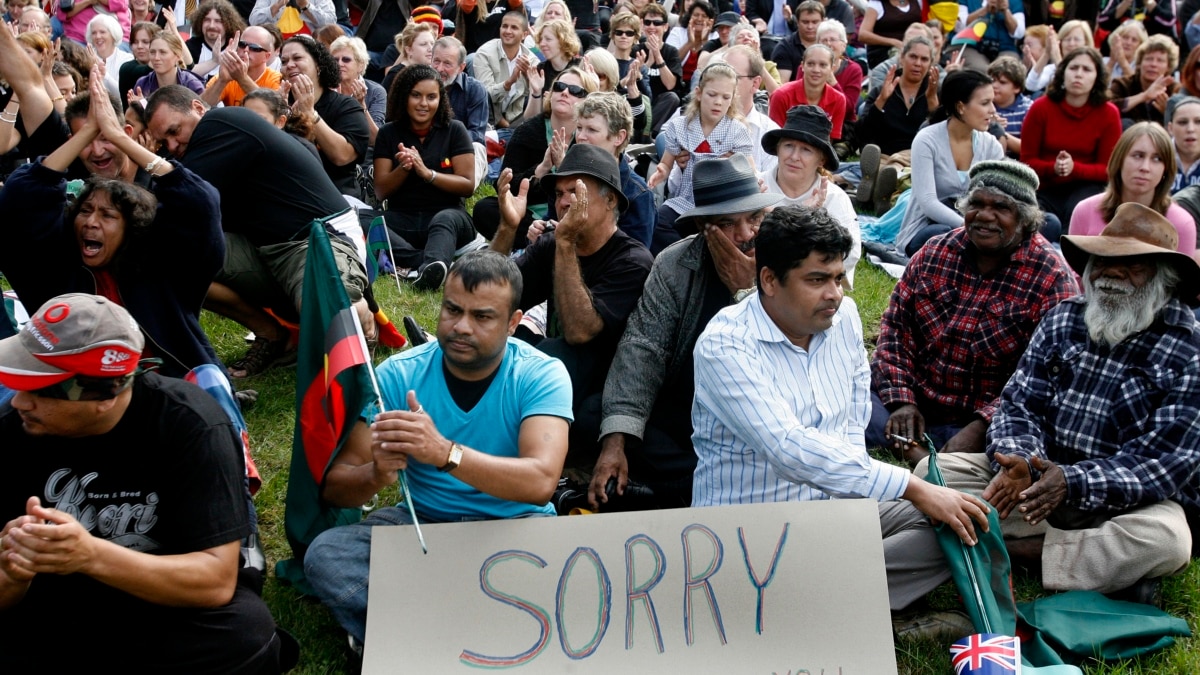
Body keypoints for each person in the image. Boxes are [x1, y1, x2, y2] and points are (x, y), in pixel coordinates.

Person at [690, 205, 993, 615]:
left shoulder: (843, 318)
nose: (834, 293)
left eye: (837, 277)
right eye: (816, 279)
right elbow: (787, 447)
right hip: (750, 533)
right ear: (769, 280)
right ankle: (821, 600)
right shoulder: (725, 345)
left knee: (960, 519)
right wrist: (913, 486)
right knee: (929, 504)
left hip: (832, 511)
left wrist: (852, 508)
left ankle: (822, 595)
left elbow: (852, 418)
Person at [923, 202, 1200, 601]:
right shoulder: (1064, 318)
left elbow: (1160, 466)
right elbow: (1018, 405)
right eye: (1102, 261)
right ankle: (1099, 570)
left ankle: (1014, 553)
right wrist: (1018, 459)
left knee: (1168, 541)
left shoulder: (1189, 349)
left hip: (1123, 502)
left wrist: (1072, 482)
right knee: (935, 472)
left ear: (1164, 279)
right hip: (1037, 483)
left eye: (1133, 265)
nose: (1111, 274)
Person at [0, 294, 284, 673]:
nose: (19, 401)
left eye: (37, 388)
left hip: (161, 599)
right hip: (58, 600)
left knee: (246, 634)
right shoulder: (11, 429)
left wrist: (90, 555)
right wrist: (12, 571)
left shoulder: (191, 424)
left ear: (100, 394)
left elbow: (213, 582)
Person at [303, 251, 573, 644]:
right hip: (426, 528)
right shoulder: (399, 375)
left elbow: (540, 482)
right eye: (452, 309)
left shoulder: (540, 375)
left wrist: (445, 453)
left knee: (570, 568)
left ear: (514, 323)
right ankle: (484, 625)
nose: (461, 327)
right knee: (327, 556)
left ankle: (411, 633)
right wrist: (376, 473)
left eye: (482, 317)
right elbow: (335, 487)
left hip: (519, 530)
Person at [587, 155, 782, 510]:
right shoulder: (674, 265)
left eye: (754, 218)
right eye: (727, 223)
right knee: (596, 420)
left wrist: (744, 292)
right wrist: (616, 440)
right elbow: (643, 349)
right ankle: (699, 484)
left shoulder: (785, 260)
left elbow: (782, 360)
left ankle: (685, 489)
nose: (745, 235)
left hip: (757, 420)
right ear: (705, 228)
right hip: (686, 415)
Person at [0, 76, 225, 378]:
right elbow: (19, 196)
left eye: (107, 216)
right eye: (87, 211)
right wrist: (91, 131)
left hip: (166, 385)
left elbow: (201, 201)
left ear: (131, 228)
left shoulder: (159, 266)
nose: (92, 222)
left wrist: (119, 138)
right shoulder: (55, 268)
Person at [144, 85, 372, 378]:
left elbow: (175, 196)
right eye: (164, 141)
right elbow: (171, 215)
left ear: (199, 109)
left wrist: (123, 144)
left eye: (175, 131)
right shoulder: (203, 145)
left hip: (317, 239)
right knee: (171, 257)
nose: (173, 145)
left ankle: (360, 315)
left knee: (330, 317)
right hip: (267, 250)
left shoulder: (221, 123)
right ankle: (272, 335)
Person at [871, 161, 1079, 464]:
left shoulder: (1052, 279)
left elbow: (1044, 377)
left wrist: (981, 426)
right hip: (915, 401)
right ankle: (923, 457)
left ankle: (927, 454)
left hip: (985, 418)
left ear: (1025, 220)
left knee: (1022, 443)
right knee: (846, 396)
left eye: (1001, 208)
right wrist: (901, 400)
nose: (984, 216)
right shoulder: (935, 252)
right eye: (976, 204)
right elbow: (894, 332)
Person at [492, 143, 654, 407]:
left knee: (554, 352)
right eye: (558, 194)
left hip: (604, 390)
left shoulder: (633, 261)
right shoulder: (551, 245)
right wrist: (508, 228)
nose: (563, 202)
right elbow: (489, 296)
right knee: (503, 331)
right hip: (552, 370)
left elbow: (579, 333)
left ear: (610, 200)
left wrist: (566, 243)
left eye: (575, 192)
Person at [374, 64, 478, 290]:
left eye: (431, 97)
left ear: (441, 99)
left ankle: (433, 263)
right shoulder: (388, 133)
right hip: (403, 219)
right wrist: (404, 167)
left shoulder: (455, 130)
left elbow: (467, 185)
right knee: (367, 221)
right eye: (416, 96)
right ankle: (427, 263)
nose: (424, 103)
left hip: (448, 217)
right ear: (404, 97)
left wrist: (427, 173)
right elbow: (380, 190)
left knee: (445, 219)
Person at [473, 67, 598, 249]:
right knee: (484, 209)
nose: (564, 92)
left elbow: (590, 192)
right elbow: (505, 186)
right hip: (527, 212)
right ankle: (540, 243)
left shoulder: (588, 137)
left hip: (571, 213)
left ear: (587, 101)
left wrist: (563, 165)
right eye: (560, 86)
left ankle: (543, 242)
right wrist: (542, 168)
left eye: (575, 91)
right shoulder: (528, 131)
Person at [895, 70, 1007, 256]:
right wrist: (968, 228)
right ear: (961, 107)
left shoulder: (991, 146)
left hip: (980, 225)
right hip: (928, 227)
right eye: (985, 103)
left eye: (992, 102)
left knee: (1049, 223)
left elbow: (999, 196)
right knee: (943, 235)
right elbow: (928, 203)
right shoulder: (926, 140)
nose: (993, 110)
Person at [648, 62, 752, 252]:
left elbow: (750, 171)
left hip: (721, 203)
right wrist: (660, 173)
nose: (718, 102)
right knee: (658, 221)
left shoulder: (737, 131)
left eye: (725, 97)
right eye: (712, 95)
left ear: (732, 99)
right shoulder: (680, 126)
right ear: (699, 93)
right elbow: (666, 163)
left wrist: (733, 163)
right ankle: (683, 257)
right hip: (687, 199)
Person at [1020, 47, 1122, 234]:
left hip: (1087, 188)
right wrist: (1054, 168)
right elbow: (1026, 161)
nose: (1079, 74)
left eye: (1086, 69)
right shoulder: (1041, 108)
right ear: (1063, 72)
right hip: (1043, 187)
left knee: (1081, 209)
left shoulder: (1108, 113)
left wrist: (1075, 169)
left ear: (1097, 77)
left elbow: (1109, 170)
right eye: (1073, 68)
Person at [760, 104, 861, 285]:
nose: (794, 156)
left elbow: (850, 253)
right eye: (789, 146)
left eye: (806, 150)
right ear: (778, 148)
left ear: (821, 159)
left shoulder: (834, 198)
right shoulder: (757, 188)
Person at [1070, 122, 1197, 253]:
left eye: (1157, 158)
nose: (1145, 167)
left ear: (1166, 169)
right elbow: (1071, 271)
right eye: (1138, 156)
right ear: (1119, 160)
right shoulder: (1084, 211)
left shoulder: (1182, 223)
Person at [280, 34, 369, 197]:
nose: (290, 65)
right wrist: (277, 117)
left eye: (297, 58)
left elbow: (343, 156)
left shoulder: (345, 106)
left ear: (318, 65)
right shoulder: (280, 104)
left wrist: (310, 113)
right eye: (284, 61)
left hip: (335, 196)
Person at [571, 91, 655, 247]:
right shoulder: (567, 178)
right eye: (579, 127)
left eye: (592, 130)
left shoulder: (638, 195)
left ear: (619, 137)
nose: (581, 136)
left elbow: (635, 259)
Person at [858, 35, 939, 156]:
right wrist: (882, 100)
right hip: (883, 154)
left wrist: (932, 102)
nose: (918, 63)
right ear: (902, 58)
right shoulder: (882, 90)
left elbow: (943, 136)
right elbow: (863, 133)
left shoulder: (936, 91)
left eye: (924, 59)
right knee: (840, 175)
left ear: (930, 64)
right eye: (913, 57)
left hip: (919, 156)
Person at [430, 36, 489, 190]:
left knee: (477, 147)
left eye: (447, 63)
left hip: (461, 150)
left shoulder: (475, 89)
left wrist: (446, 141)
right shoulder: (419, 84)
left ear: (461, 67)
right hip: (427, 147)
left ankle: (462, 191)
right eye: (436, 61)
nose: (440, 68)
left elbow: (477, 134)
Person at [473, 10, 536, 133]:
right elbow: (484, 95)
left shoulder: (532, 60)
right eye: (504, 26)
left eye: (514, 27)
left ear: (524, 35)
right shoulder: (484, 53)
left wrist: (528, 78)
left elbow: (535, 98)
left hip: (518, 120)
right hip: (490, 119)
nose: (508, 31)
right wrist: (509, 82)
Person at [767, 43, 845, 138]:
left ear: (832, 69)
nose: (816, 70)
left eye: (823, 65)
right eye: (810, 64)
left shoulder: (838, 99)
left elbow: (830, 140)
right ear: (802, 66)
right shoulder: (781, 95)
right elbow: (775, 136)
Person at [201, 25, 281, 109]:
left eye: (254, 48)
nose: (246, 50)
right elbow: (201, 107)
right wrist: (222, 80)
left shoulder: (275, 79)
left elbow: (272, 109)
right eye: (242, 44)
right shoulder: (228, 74)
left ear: (267, 56)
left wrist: (242, 78)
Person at [1109, 35, 1180, 126]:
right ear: (1139, 63)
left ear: (1168, 67)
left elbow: (1185, 121)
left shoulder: (1175, 89)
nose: (1153, 64)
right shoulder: (1123, 84)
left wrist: (1168, 113)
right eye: (1148, 59)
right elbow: (1107, 109)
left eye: (1160, 61)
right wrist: (1144, 96)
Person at [326, 36, 382, 149]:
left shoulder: (376, 91)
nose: (340, 64)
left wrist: (361, 106)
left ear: (360, 65)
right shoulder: (325, 88)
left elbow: (376, 139)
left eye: (346, 59)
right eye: (335, 60)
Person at [955, 0, 1025, 72]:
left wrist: (1006, 11)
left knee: (1007, 70)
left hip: (1004, 48)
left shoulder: (1015, 2)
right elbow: (960, 27)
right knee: (982, 70)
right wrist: (985, 10)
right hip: (971, 46)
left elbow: (1019, 33)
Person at [186, 0, 246, 80]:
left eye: (218, 21)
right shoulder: (191, 46)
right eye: (207, 20)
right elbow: (184, 75)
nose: (212, 26)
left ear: (229, 24)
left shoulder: (238, 46)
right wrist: (214, 61)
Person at [135, 32, 207, 96]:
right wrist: (140, 105)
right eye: (152, 52)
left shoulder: (191, 84)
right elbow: (140, 110)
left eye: (163, 52)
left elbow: (202, 109)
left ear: (178, 56)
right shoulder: (143, 84)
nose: (156, 58)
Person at [858, 0, 922, 67]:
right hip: (884, 54)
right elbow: (863, 35)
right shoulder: (876, 4)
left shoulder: (918, 2)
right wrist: (893, 42)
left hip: (914, 50)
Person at [989, 56, 1031, 156]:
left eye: (1002, 82)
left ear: (1016, 88)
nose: (994, 85)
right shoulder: (982, 105)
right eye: (992, 80)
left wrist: (998, 131)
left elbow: (1028, 149)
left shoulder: (1028, 109)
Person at [86, 13, 132, 92]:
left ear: (113, 34)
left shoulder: (126, 59)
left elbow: (124, 94)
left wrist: (105, 76)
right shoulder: (86, 57)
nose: (97, 36)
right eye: (94, 33)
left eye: (102, 32)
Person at [249, 0, 336, 35]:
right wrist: (276, 6)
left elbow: (330, 24)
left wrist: (305, 6)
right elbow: (253, 21)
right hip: (274, 45)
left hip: (309, 45)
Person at [1170, 96, 1200, 193]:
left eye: (1198, 122)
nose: (1190, 129)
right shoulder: (1156, 156)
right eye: (1182, 122)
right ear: (1170, 128)